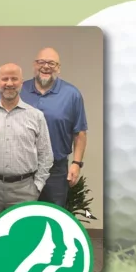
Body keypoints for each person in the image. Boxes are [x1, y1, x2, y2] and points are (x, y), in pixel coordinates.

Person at [0, 63, 54, 218]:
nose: (9, 83)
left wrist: (37, 186)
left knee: (22, 234)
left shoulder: (36, 116)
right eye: (5, 79)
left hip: (25, 191)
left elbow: (46, 154)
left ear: (21, 83)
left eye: (14, 79)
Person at [20, 47, 88, 207]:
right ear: (34, 65)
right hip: (23, 169)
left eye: (51, 63)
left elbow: (80, 133)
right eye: (41, 62)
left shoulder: (72, 94)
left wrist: (76, 163)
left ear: (58, 67)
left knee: (53, 215)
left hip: (56, 170)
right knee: (23, 215)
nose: (46, 66)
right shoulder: (20, 90)